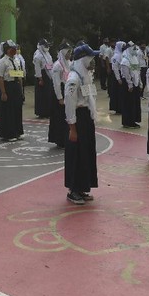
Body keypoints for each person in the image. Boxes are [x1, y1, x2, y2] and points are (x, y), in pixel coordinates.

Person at [64, 43, 98, 205]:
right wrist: (72, 127)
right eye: (90, 58)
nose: (92, 61)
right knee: (77, 154)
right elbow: (69, 103)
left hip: (85, 117)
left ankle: (83, 187)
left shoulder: (85, 75)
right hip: (77, 118)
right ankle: (73, 190)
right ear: (83, 59)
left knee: (86, 153)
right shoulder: (73, 78)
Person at [0, 40, 25, 142]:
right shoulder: (2, 62)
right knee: (8, 110)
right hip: (7, 85)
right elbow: (0, 78)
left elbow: (19, 75)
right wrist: (3, 92)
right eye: (11, 49)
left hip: (16, 85)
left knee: (17, 108)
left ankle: (18, 131)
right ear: (6, 50)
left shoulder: (17, 60)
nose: (13, 50)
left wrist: (21, 90)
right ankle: (9, 133)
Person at [48, 41, 72, 149]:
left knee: (67, 116)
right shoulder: (57, 65)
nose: (69, 54)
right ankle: (59, 139)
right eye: (68, 52)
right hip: (60, 92)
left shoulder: (70, 63)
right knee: (59, 117)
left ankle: (66, 137)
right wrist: (60, 97)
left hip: (68, 90)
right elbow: (56, 83)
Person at [120, 43, 142, 129]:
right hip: (128, 85)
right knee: (128, 103)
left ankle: (134, 119)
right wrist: (130, 84)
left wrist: (140, 83)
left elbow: (137, 71)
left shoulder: (135, 59)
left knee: (134, 103)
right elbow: (126, 74)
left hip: (135, 83)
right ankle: (128, 122)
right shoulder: (125, 60)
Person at [33, 39, 54, 119]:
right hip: (42, 75)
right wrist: (40, 79)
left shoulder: (47, 54)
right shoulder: (38, 55)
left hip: (48, 74)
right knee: (41, 95)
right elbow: (37, 68)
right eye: (45, 46)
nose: (47, 47)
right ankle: (41, 112)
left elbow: (50, 64)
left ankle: (48, 111)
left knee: (48, 94)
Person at [110, 41, 125, 114]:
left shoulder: (122, 54)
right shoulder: (116, 56)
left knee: (121, 93)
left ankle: (121, 107)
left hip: (121, 74)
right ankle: (117, 108)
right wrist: (118, 78)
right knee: (117, 92)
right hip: (117, 75)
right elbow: (115, 68)